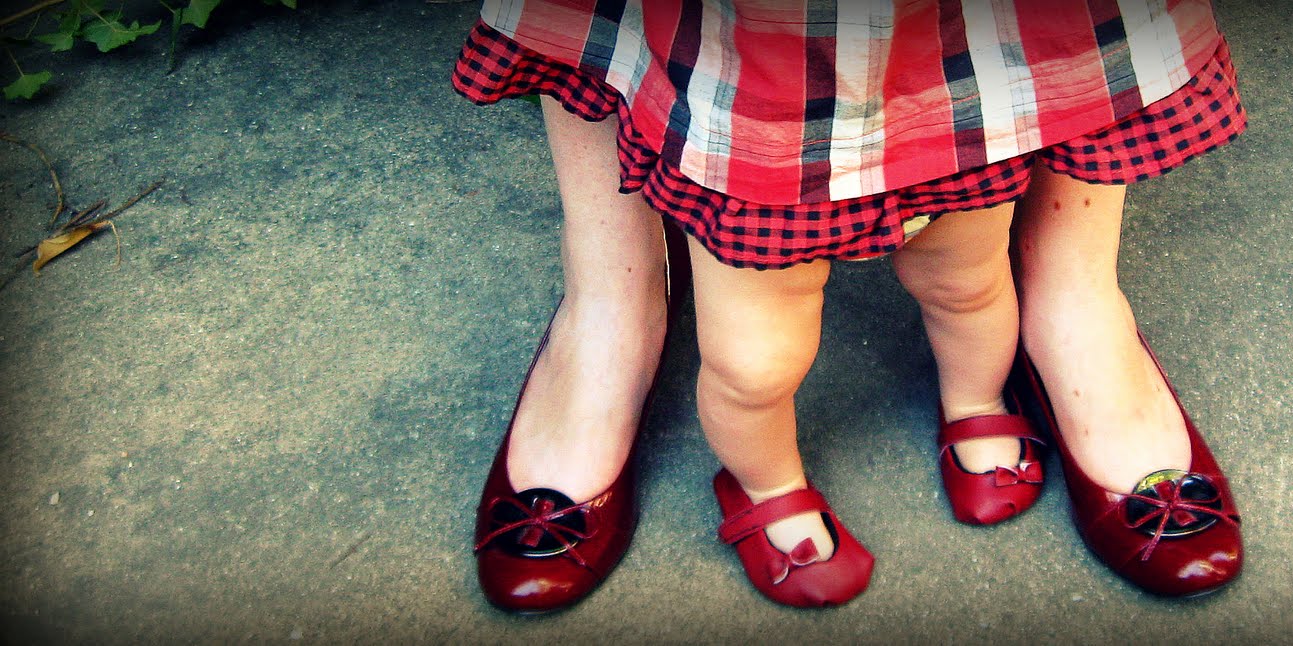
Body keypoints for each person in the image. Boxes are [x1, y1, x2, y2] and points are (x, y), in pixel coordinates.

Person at [453, 0, 1248, 612]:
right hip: (757, 106)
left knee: (968, 282)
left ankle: (979, 393)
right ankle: (762, 482)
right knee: (753, 359)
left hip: (953, 105)